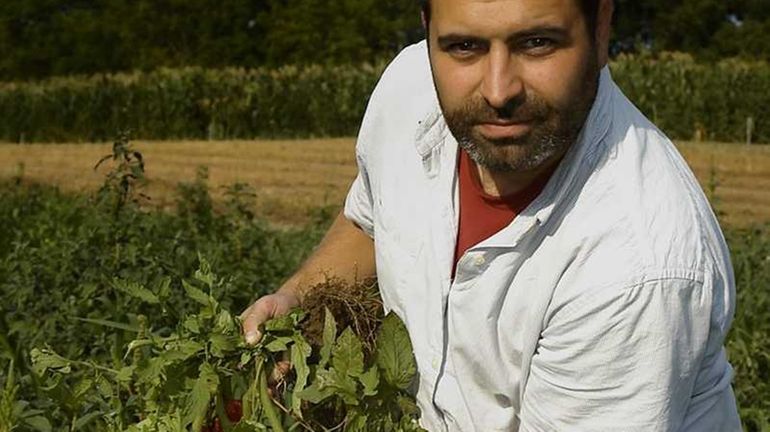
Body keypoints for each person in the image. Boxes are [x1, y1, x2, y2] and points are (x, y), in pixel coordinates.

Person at [241, 0, 743, 430]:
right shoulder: (409, 88)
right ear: (428, 29)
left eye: (537, 43)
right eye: (464, 47)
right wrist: (296, 296)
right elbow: (372, 218)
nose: (499, 91)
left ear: (602, 27)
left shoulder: (634, 264)